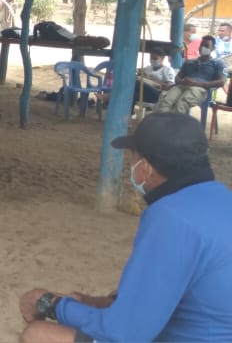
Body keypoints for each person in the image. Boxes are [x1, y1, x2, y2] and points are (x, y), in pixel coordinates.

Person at [18, 112, 232, 342]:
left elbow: (127, 333)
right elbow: (148, 299)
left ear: (146, 167)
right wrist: (88, 303)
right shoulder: (220, 197)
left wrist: (52, 304)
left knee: (39, 335)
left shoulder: (171, 218)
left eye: (133, 158)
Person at [154, 35, 225, 114]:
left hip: (199, 88)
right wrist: (183, 81)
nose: (202, 47)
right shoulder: (189, 62)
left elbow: (222, 82)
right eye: (201, 45)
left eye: (206, 46)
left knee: (181, 105)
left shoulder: (217, 63)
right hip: (182, 86)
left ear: (213, 49)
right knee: (166, 102)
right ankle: (161, 124)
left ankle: (173, 125)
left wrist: (198, 84)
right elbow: (177, 78)